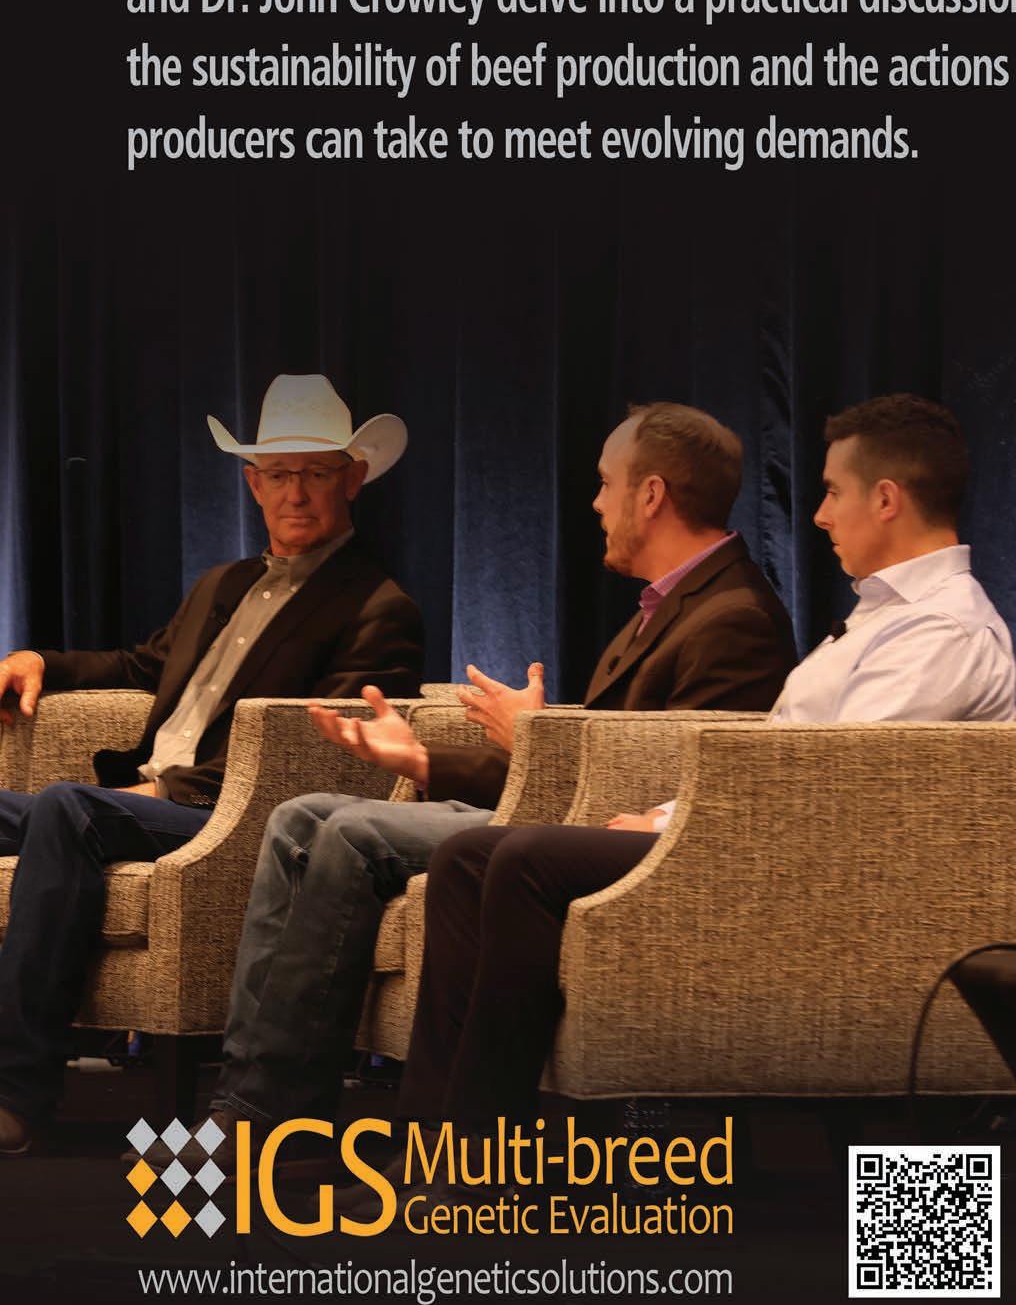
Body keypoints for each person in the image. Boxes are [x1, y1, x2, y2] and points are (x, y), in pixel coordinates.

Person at [366, 393, 1016, 1196]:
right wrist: (672, 815)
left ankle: (481, 1168)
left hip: (813, 882)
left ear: (885, 498)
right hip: (763, 843)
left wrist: (675, 825)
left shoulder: (940, 632)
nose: (818, 515)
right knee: (470, 856)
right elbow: (789, 766)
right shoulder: (885, 618)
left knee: (524, 859)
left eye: (831, 492)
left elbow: (831, 790)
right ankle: (433, 1155)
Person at [149, 402, 795, 1164]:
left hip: (599, 844)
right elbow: (602, 758)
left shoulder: (732, 616)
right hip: (564, 818)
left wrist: (537, 735)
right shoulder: (665, 608)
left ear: (650, 495)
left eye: (604, 483)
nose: (594, 503)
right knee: (301, 816)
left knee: (353, 834)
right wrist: (423, 759)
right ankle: (253, 1101)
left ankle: (283, 1117)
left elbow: (673, 785)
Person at [0, 374, 425, 1156]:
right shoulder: (224, 583)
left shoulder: (376, 606)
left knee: (66, 805)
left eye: (317, 471)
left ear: (354, 478)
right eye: (279, 473)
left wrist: (162, 787)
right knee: (51, 807)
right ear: (253, 483)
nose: (296, 492)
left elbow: (315, 752)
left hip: (226, 817)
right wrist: (42, 662)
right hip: (140, 802)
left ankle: (15, 1093)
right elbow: (142, 664)